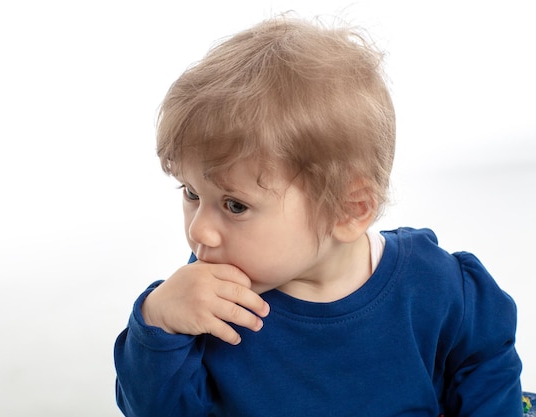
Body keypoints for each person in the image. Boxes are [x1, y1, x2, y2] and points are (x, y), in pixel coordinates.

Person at [114, 15, 522, 417]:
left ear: (349, 210)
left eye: (235, 205)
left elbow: (487, 369)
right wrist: (158, 325)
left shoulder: (435, 285)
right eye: (191, 193)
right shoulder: (211, 300)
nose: (199, 229)